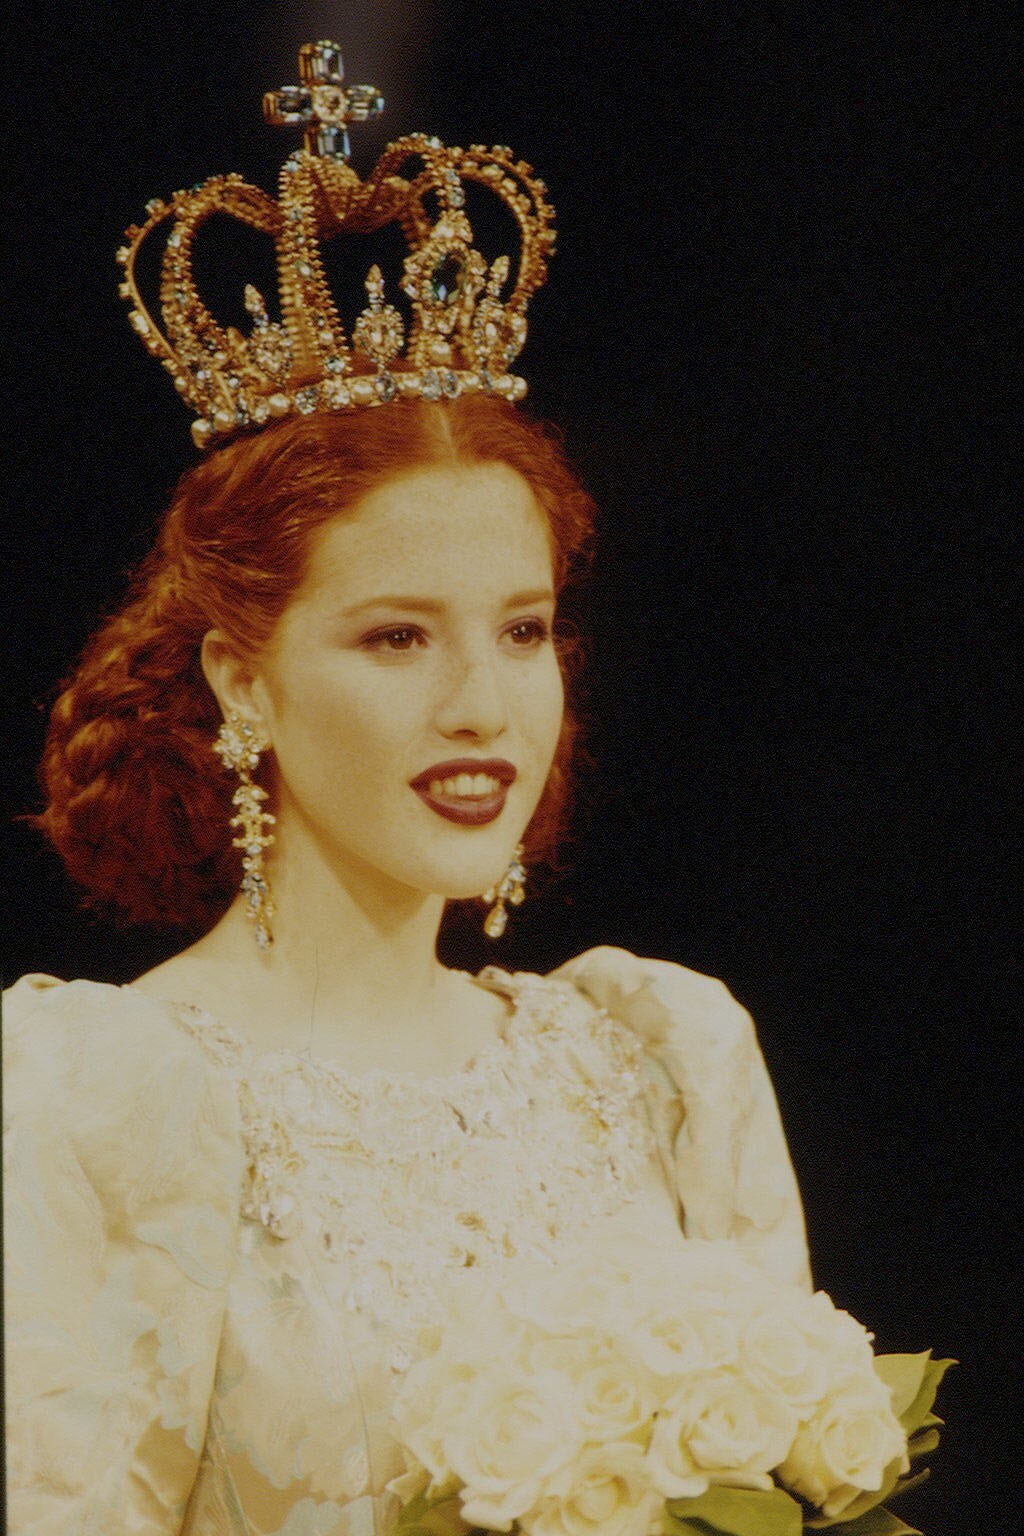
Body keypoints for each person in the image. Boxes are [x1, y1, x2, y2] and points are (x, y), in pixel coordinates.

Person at [3, 42, 809, 1535]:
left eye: (522, 631)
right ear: (244, 680)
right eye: (396, 638)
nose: (482, 706)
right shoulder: (95, 1100)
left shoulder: (663, 1063)